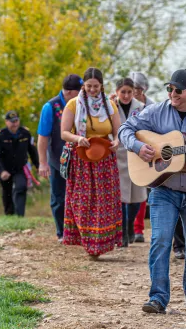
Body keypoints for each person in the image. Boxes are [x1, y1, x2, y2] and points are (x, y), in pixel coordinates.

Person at [118, 68, 186, 314]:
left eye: (178, 90)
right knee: (160, 241)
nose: (172, 94)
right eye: (169, 89)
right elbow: (124, 129)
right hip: (163, 189)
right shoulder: (156, 111)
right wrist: (137, 147)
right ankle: (157, 298)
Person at [60, 67, 122, 259]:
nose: (92, 90)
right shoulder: (73, 104)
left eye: (96, 86)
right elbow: (64, 132)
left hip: (104, 157)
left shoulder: (110, 105)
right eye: (89, 86)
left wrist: (117, 141)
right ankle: (88, 242)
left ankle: (100, 243)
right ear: (83, 86)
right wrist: (78, 139)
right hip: (82, 157)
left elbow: (118, 130)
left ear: (101, 85)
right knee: (83, 200)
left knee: (105, 201)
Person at [37, 74, 83, 241]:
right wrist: (42, 163)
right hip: (58, 159)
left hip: (80, 159)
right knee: (59, 197)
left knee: (80, 196)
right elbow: (43, 138)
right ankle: (61, 232)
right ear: (70, 92)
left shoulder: (82, 104)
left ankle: (79, 230)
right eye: (80, 91)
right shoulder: (50, 107)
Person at [114, 78, 147, 246]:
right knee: (121, 196)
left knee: (137, 196)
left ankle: (130, 225)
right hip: (118, 155)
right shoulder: (111, 106)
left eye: (129, 92)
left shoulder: (140, 108)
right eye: (123, 92)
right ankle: (122, 231)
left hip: (136, 154)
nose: (126, 95)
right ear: (117, 91)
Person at [0, 111, 39, 216]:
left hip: (20, 167)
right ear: (6, 122)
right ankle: (9, 214)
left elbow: (32, 151)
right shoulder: (0, 136)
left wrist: (38, 165)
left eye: (16, 121)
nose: (14, 124)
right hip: (5, 168)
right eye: (12, 122)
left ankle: (20, 215)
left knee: (21, 187)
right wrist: (1, 171)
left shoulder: (25, 133)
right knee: (7, 192)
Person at [130, 71, 154, 242]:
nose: (136, 91)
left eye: (138, 88)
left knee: (142, 190)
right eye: (133, 88)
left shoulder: (152, 106)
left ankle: (139, 228)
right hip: (130, 148)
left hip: (147, 149)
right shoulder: (125, 103)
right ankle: (128, 227)